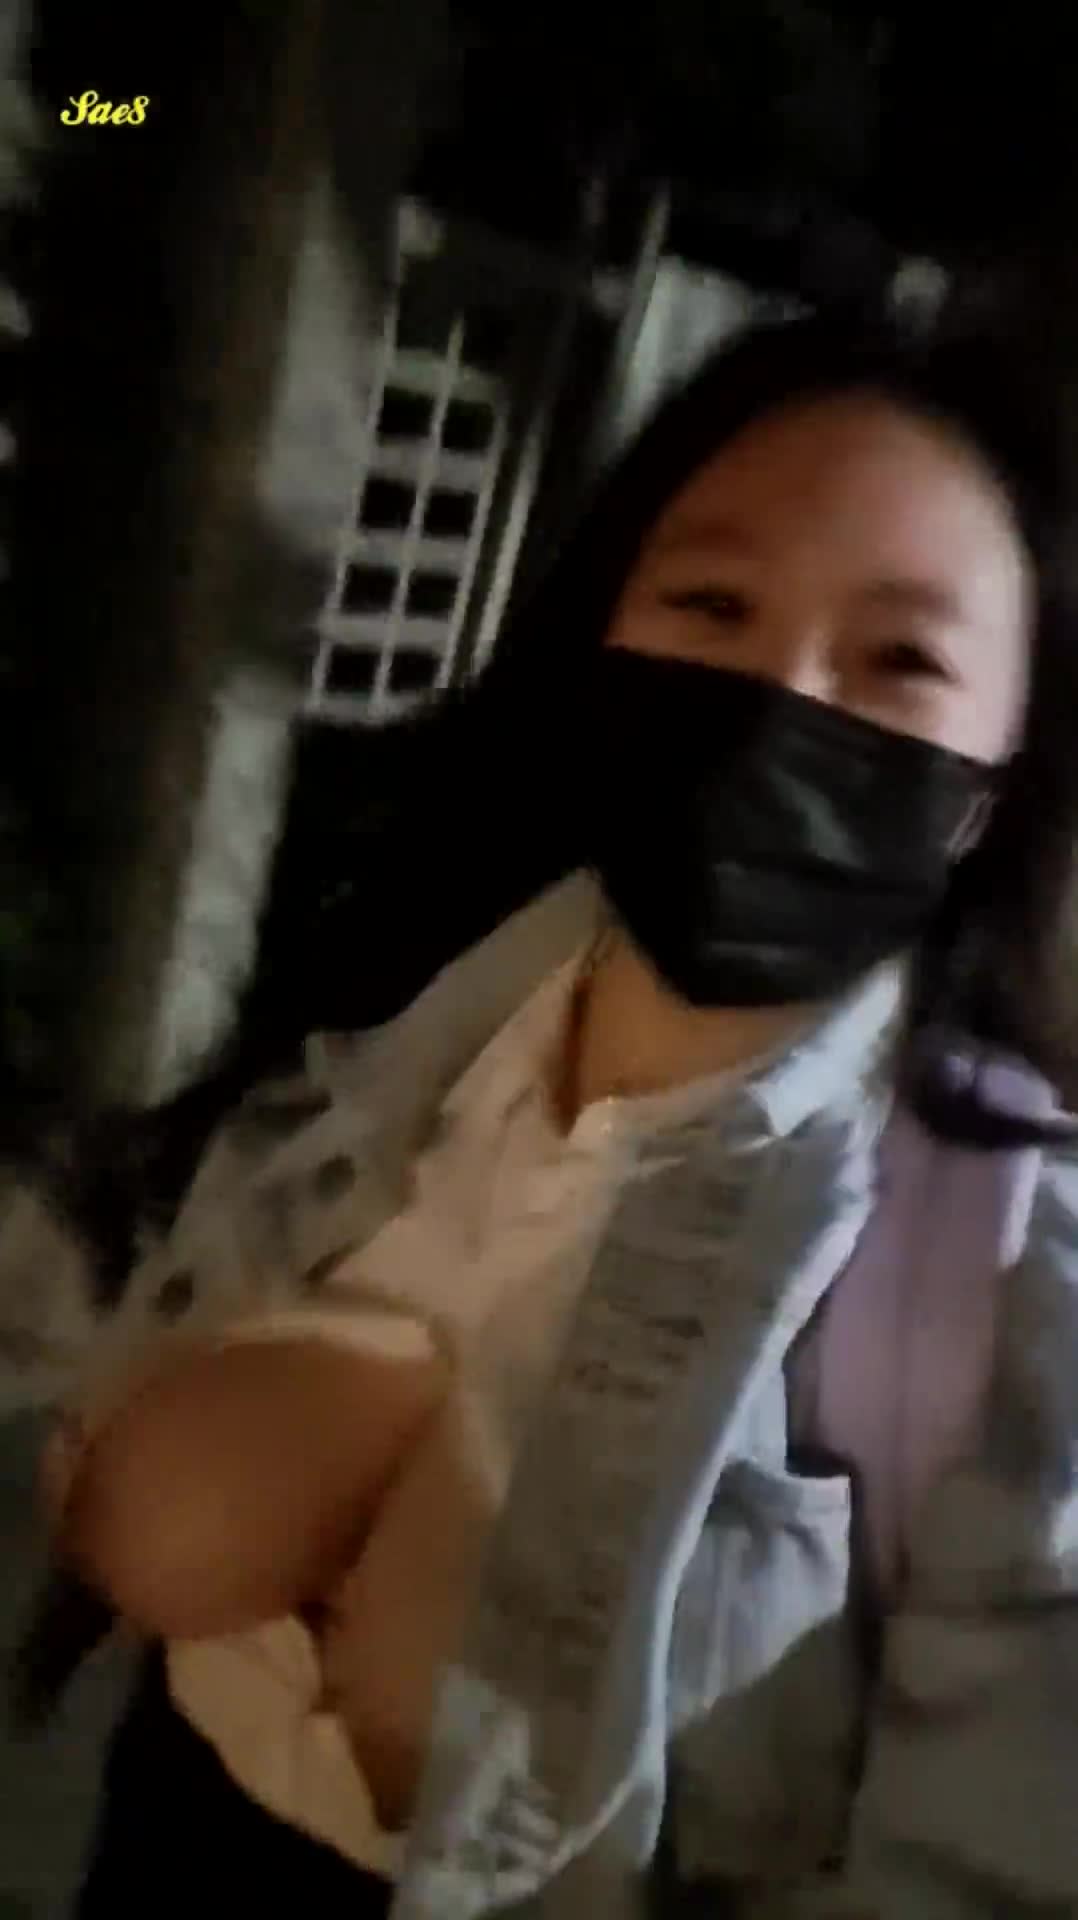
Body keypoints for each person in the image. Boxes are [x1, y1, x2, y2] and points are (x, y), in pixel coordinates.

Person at [30, 305, 1078, 1917]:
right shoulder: (402, 1002)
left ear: (994, 780)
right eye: (710, 604)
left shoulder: (1002, 1276)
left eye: (899, 661)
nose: (778, 697)